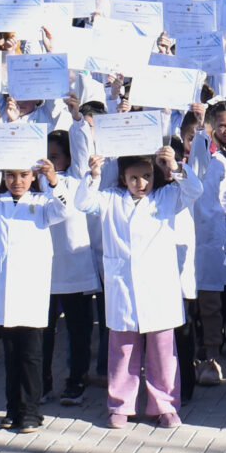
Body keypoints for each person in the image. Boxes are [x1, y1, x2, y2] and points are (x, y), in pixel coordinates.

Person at [85, 141, 204, 429]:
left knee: (163, 352)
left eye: (147, 176)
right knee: (123, 351)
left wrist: (174, 167)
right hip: (123, 287)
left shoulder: (166, 198)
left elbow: (195, 190)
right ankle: (120, 405)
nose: (141, 183)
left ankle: (164, 404)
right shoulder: (110, 198)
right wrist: (94, 175)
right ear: (123, 177)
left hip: (158, 288)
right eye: (134, 178)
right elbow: (83, 203)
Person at [0, 156, 67, 433]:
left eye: (23, 175)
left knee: (31, 353)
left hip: (31, 288)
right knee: (11, 352)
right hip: (4, 288)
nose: (17, 181)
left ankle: (31, 412)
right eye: (10, 175)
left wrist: (53, 181)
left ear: (33, 177)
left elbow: (64, 210)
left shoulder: (43, 204)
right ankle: (12, 408)